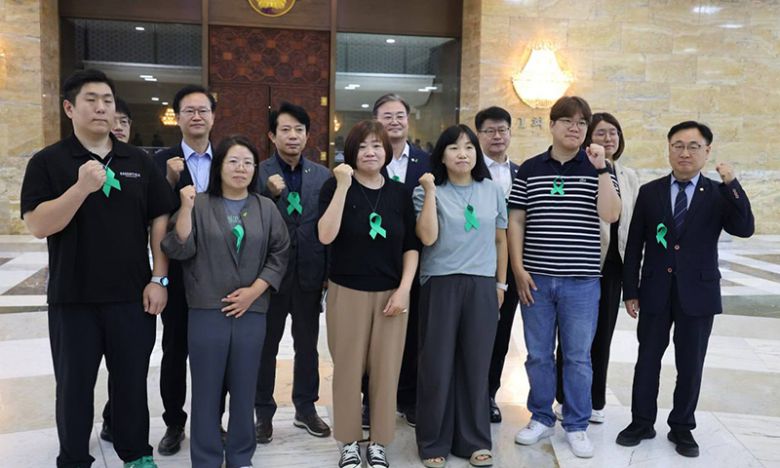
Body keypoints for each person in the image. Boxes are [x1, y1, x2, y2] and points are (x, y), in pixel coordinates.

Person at [20, 69, 172, 468]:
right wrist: (80, 188)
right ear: (70, 108)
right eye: (91, 99)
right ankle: (73, 459)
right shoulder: (48, 162)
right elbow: (38, 225)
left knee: (131, 384)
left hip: (131, 297)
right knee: (74, 388)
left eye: (107, 100)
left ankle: (136, 454)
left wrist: (159, 277)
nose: (102, 107)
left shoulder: (138, 160)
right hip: (74, 299)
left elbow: (159, 218)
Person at [616, 121, 754, 457]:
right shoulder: (650, 192)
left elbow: (745, 228)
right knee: (647, 359)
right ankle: (641, 421)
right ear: (668, 149)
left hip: (699, 293)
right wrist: (630, 290)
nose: (685, 153)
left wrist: (732, 183)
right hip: (655, 291)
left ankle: (682, 426)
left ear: (707, 151)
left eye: (694, 146)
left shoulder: (718, 193)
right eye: (678, 145)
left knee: (690, 364)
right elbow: (634, 244)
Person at [161, 135, 290, 468]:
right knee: (206, 391)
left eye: (248, 162)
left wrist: (255, 291)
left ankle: (240, 456)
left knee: (245, 389)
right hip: (207, 309)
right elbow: (178, 248)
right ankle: (205, 459)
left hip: (252, 310)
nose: (240, 168)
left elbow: (280, 253)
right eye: (233, 161)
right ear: (219, 167)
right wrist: (186, 208)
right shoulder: (200, 204)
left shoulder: (266, 208)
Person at [508, 96, 621, 459]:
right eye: (568, 121)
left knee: (577, 357)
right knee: (538, 355)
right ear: (552, 125)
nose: (575, 128)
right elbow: (516, 220)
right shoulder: (530, 169)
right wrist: (518, 269)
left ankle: (576, 424)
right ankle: (541, 416)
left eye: (582, 123)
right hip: (537, 280)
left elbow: (611, 214)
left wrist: (602, 169)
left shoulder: (598, 168)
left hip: (582, 282)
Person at [318, 120, 420, 468]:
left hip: (392, 294)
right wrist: (343, 186)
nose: (370, 152)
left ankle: (379, 441)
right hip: (346, 292)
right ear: (351, 152)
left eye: (377, 145)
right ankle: (349, 441)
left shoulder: (399, 193)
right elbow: (325, 235)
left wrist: (404, 290)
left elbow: (411, 246)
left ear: (387, 151)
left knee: (386, 371)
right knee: (347, 370)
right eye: (362, 146)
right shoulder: (335, 186)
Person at [414, 124, 508, 468]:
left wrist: (501, 285)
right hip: (440, 283)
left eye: (469, 147)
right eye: (454, 147)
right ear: (441, 155)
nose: (463, 154)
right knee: (437, 365)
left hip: (482, 284)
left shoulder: (491, 190)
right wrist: (429, 192)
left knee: (476, 364)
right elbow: (427, 237)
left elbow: (500, 239)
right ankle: (432, 441)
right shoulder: (427, 190)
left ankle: (475, 440)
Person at [553, 112, 640, 424]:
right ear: (589, 138)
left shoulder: (628, 176)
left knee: (602, 334)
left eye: (613, 132)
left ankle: (595, 399)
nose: (608, 138)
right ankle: (565, 397)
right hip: (584, 261)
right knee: (573, 336)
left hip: (613, 266)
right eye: (601, 133)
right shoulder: (581, 169)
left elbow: (633, 226)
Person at [254, 102, 332, 443]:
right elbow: (247, 216)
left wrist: (328, 272)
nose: (292, 136)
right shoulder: (257, 172)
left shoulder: (323, 175)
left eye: (299, 130)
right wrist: (266, 195)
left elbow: (329, 226)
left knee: (307, 346)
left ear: (307, 136)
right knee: (266, 347)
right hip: (269, 276)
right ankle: (263, 412)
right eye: (285, 129)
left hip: (310, 274)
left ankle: (306, 407)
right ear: (272, 136)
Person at [153, 84, 217, 456]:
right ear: (177, 118)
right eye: (189, 110)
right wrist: (167, 181)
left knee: (215, 352)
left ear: (213, 116)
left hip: (220, 275)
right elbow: (152, 218)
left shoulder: (228, 158)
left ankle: (212, 421)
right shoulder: (162, 161)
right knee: (175, 350)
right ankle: (174, 423)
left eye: (203, 110)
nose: (196, 116)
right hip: (177, 273)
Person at [367, 93, 431, 426]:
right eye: (386, 116)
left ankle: (407, 397)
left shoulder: (427, 162)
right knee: (371, 334)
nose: (394, 121)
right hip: (373, 258)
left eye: (399, 116)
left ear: (408, 120)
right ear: (376, 120)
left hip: (416, 256)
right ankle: (370, 399)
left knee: (412, 331)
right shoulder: (366, 157)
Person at [475, 106, 520, 424]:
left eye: (502, 129)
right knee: (470, 333)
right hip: (474, 263)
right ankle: (465, 392)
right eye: (489, 130)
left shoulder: (522, 173)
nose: (497, 136)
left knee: (500, 334)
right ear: (478, 135)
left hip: (511, 265)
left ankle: (488, 394)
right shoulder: (470, 170)